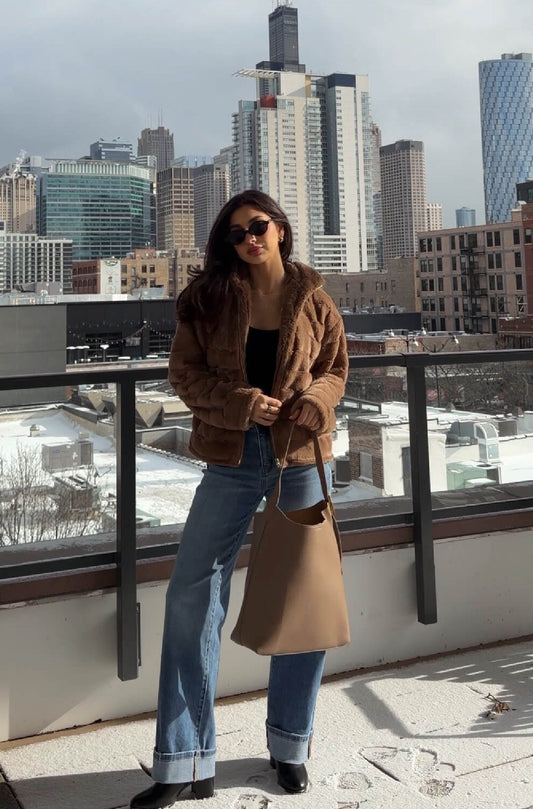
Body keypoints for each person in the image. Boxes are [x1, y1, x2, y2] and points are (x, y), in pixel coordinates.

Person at [131, 190, 348, 808]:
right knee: (191, 595)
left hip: (301, 458)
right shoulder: (208, 300)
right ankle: (184, 759)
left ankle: (290, 745)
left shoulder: (315, 299)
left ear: (280, 229)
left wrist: (317, 401)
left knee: (299, 603)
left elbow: (336, 368)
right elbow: (184, 375)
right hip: (229, 459)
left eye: (258, 227)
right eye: (235, 233)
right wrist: (239, 404)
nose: (248, 239)